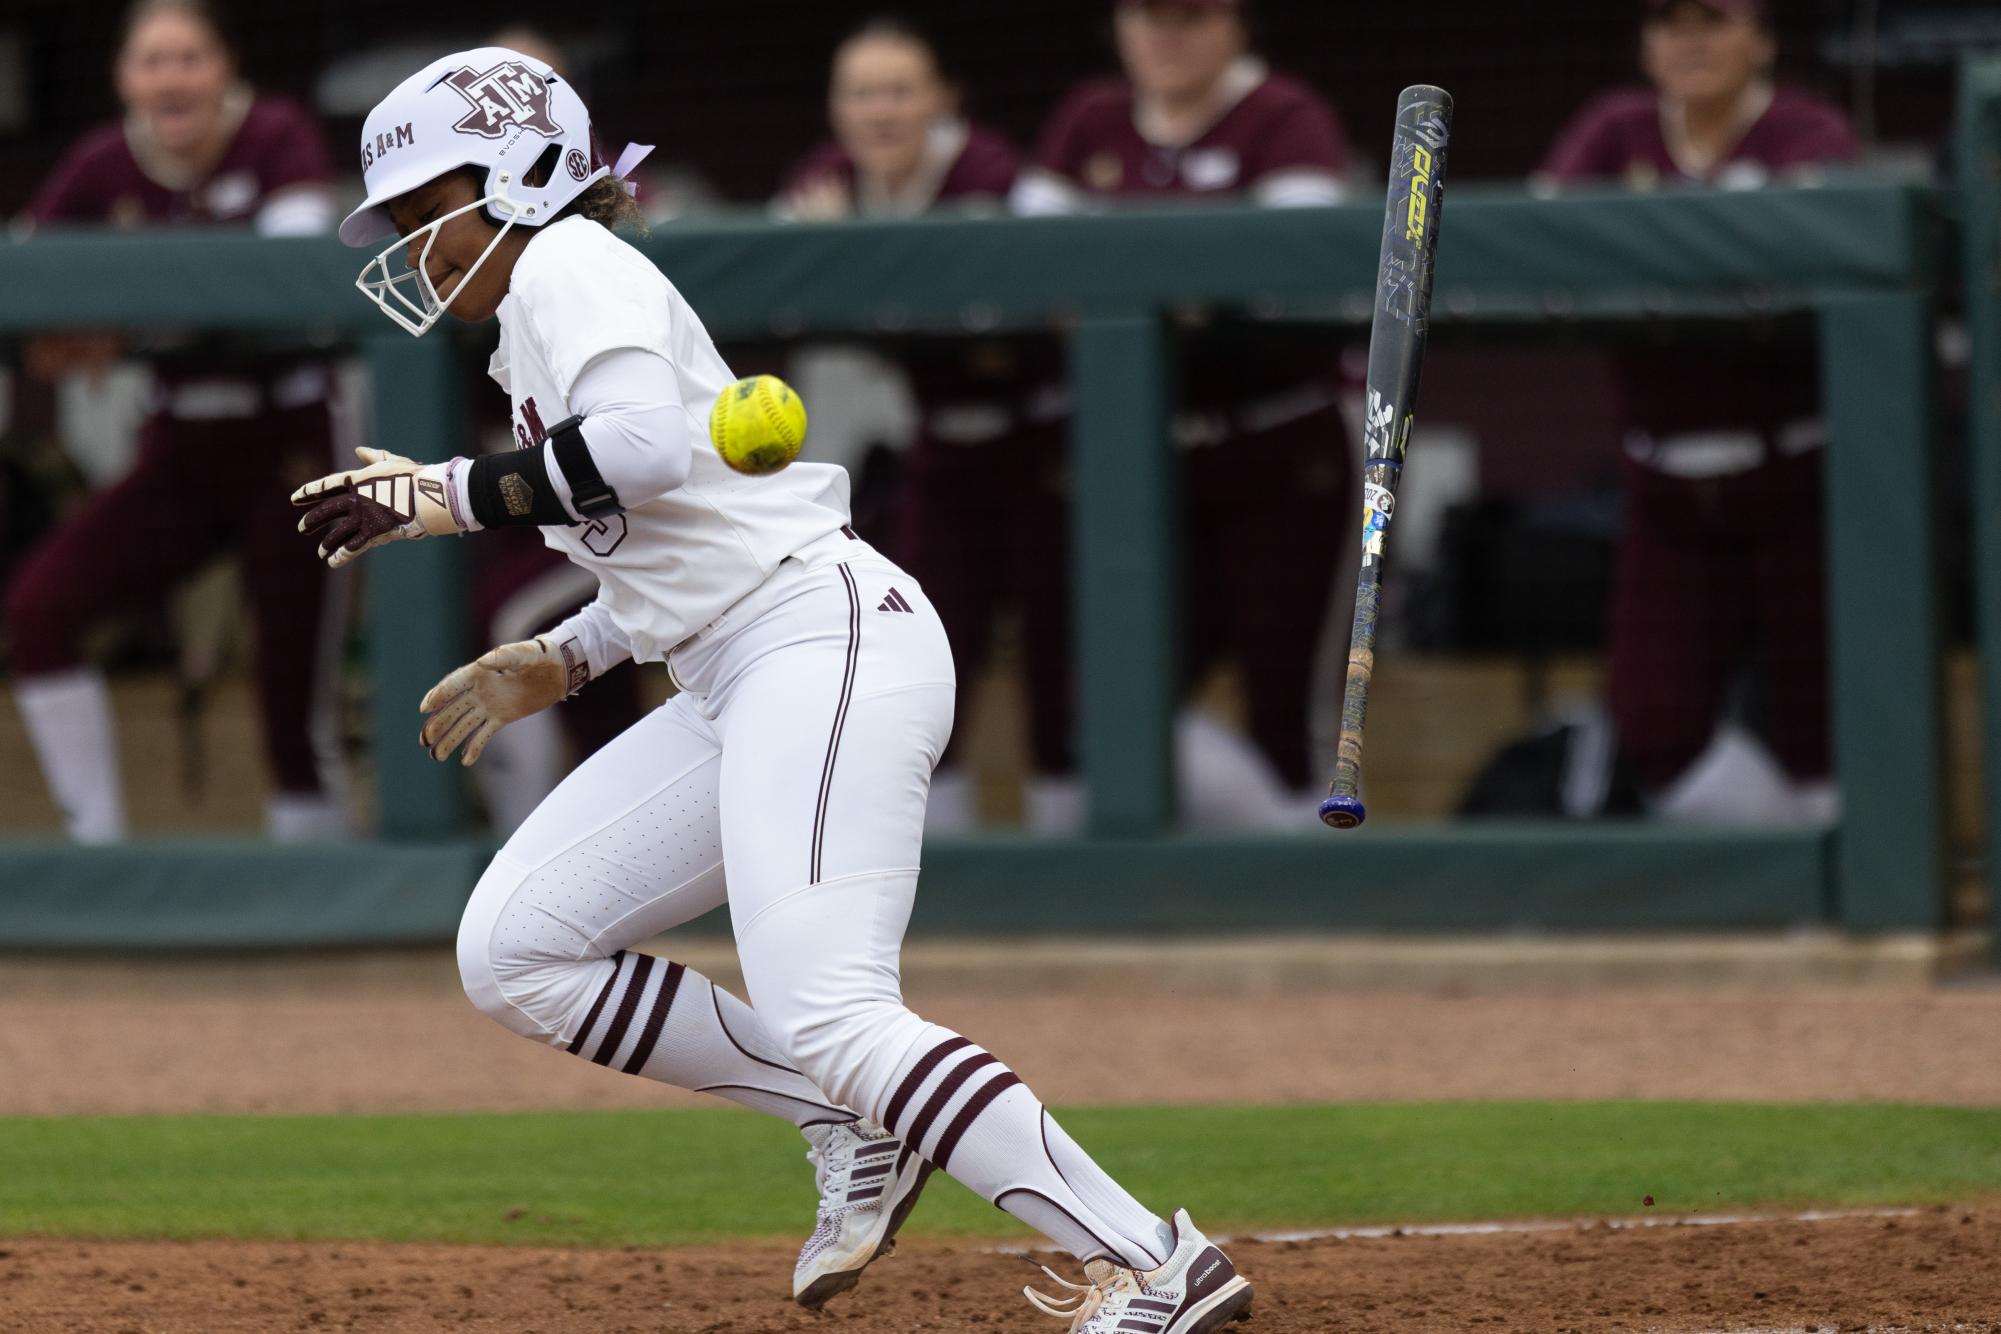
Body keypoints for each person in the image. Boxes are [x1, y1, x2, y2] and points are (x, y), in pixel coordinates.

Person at [296, 46, 1255, 1332]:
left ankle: (1154, 1261)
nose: (416, 249)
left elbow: (634, 450)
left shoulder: (573, 262)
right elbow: (675, 533)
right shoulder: (536, 314)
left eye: (429, 213)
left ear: (520, 177)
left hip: (822, 637)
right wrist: (569, 655)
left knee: (834, 1005)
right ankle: (847, 1123)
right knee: (515, 948)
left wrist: (441, 495)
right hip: (738, 662)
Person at [1013, 0, 1357, 828]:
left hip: (1279, 447)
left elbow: (1287, 270)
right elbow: (1025, 263)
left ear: (1236, 23)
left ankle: (1319, 910)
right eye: (1149, 15)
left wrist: (1125, 280)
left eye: (1192, 15)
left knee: (1286, 709)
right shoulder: (1090, 118)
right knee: (1118, 703)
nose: (1169, 36)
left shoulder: (1285, 115)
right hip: (1141, 461)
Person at [7, 0, 345, 841]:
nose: (172, 77)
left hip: (290, 443)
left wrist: (120, 315)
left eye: (190, 57)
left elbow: (287, 289)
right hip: (179, 448)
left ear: (226, 66)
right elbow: (31, 296)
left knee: (290, 680)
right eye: (152, 61)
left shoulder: (277, 134)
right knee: (40, 609)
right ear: (124, 77)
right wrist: (90, 319)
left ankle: (319, 883)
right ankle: (96, 846)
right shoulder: (101, 161)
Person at [1537, 0, 1857, 821]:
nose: (1690, 42)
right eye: (1669, 24)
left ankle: (1833, 904)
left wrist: (1646, 254)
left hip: (1796, 477)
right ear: (1644, 44)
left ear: (1759, 40)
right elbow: (1542, 234)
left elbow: (1818, 239)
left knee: (1819, 721)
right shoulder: (1615, 128)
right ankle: (1787, 863)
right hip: (1665, 487)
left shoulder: (1803, 127)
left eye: (1712, 20)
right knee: (1655, 721)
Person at [777, 18, 1068, 830]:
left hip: (1048, 444)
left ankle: (1070, 854)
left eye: (901, 91)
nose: (881, 112)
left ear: (943, 100)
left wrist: (856, 261)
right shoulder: (822, 182)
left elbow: (1057, 278)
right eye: (862, 93)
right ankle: (942, 857)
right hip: (938, 445)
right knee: (926, 649)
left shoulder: (996, 177)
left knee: (1062, 657)